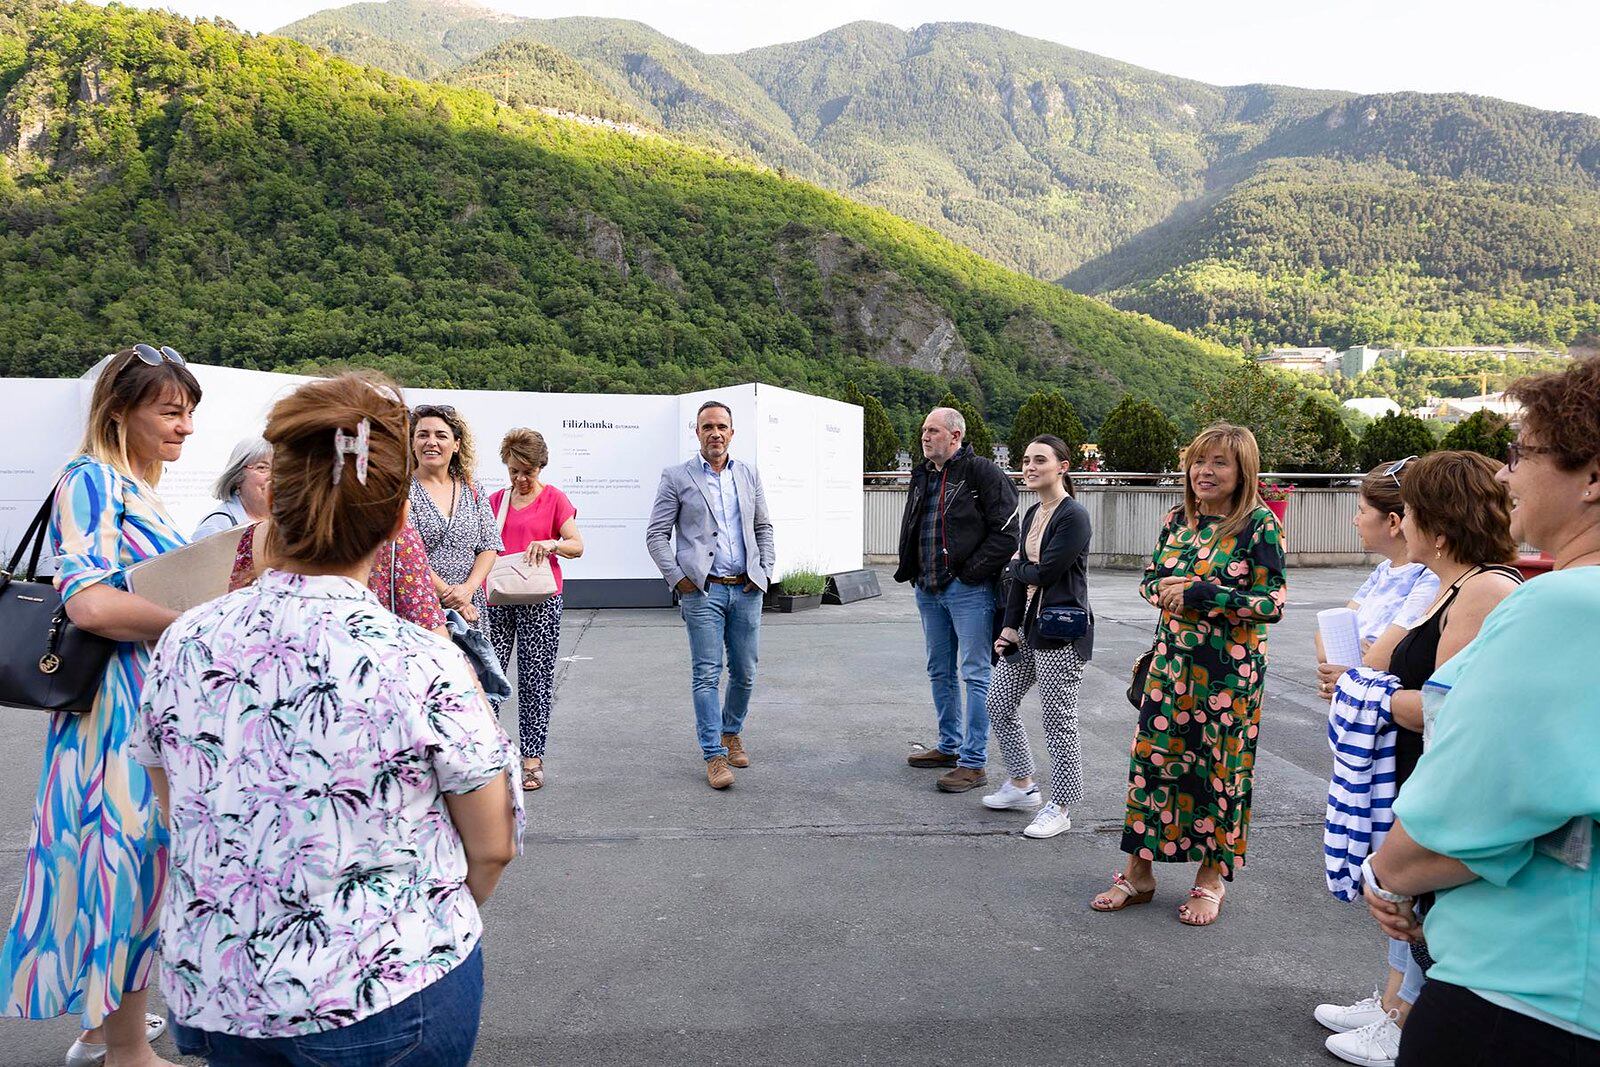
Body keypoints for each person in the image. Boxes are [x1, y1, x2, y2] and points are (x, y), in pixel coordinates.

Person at [132, 373, 521, 1066]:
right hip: (391, 994)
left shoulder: (183, 644)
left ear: (270, 506)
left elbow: (181, 806)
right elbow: (489, 845)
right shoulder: (422, 661)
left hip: (224, 995)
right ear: (401, 523)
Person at [1363, 357, 1600, 1066]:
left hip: (1520, 994)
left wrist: (1387, 873)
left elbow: (1458, 821)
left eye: (1521, 453)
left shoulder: (1563, 607)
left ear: (1592, 477)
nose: (1505, 476)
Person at [0, 344, 202, 1067]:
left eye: (189, 414)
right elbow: (87, 601)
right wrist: (194, 619)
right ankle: (126, 1052)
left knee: (114, 861)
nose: (185, 428)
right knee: (129, 864)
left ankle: (100, 1032)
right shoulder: (92, 477)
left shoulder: (130, 484)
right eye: (170, 412)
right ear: (121, 411)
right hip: (113, 709)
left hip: (126, 704)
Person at [1091, 423, 1286, 926]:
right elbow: (1151, 580)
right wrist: (1163, 591)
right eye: (1200, 461)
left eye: (1220, 462)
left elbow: (1271, 603)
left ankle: (1209, 880)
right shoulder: (1178, 519)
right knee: (1154, 767)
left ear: (1243, 470)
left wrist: (1203, 595)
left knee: (1219, 774)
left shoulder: (1258, 525)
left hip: (1229, 678)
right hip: (1171, 667)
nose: (1206, 471)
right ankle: (1139, 874)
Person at [1313, 459, 1440, 1062]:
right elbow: (1334, 632)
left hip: (1402, 745)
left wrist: (1357, 668)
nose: (1355, 520)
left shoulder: (1435, 581)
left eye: (1363, 510)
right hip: (1382, 732)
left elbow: (1379, 656)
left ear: (1399, 520)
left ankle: (1401, 1014)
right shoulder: (1391, 576)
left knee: (1402, 880)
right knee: (1386, 873)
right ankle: (1391, 999)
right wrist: (1353, 665)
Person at [645, 400, 774, 790]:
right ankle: (714, 756)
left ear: (732, 432)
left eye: (721, 426)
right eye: (707, 427)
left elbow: (763, 526)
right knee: (706, 673)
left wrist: (764, 571)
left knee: (746, 672)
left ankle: (730, 731)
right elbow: (656, 534)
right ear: (697, 433)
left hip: (747, 588)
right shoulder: (677, 476)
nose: (715, 433)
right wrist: (679, 578)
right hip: (703, 593)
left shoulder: (748, 473)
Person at [894, 406, 1018, 793]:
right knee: (939, 671)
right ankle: (949, 745)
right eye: (923, 431)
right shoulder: (923, 474)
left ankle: (974, 761)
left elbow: (1007, 532)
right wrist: (914, 570)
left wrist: (969, 574)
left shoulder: (981, 472)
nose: (925, 436)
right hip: (928, 589)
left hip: (968, 590)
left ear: (955, 436)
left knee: (976, 673)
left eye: (933, 430)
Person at [982, 435, 1094, 839]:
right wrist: (1008, 627)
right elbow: (1022, 578)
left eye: (1039, 460)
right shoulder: (1031, 513)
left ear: (1062, 466)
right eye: (1026, 460)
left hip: (1060, 632)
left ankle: (1061, 806)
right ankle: (1022, 784)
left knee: (1058, 719)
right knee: (998, 702)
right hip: (1027, 627)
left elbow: (1044, 573)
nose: (1029, 467)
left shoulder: (1073, 516)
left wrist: (1017, 566)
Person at [487, 428, 584, 792]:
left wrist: (551, 544)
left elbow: (577, 545)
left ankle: (531, 759)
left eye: (528, 470)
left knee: (535, 680)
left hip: (541, 600)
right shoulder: (495, 501)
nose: (521, 478)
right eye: (514, 470)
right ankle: (491, 753)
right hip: (496, 598)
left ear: (541, 465)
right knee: (488, 677)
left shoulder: (555, 499)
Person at [226, 516, 447, 636]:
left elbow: (239, 625)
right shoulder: (396, 535)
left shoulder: (197, 638)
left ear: (273, 494)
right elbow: (431, 629)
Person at [409, 404, 502, 633]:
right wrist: (452, 598)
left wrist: (468, 590)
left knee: (472, 668)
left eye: (441, 435)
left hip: (471, 607)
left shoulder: (472, 488)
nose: (431, 442)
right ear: (412, 443)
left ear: (456, 445)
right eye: (423, 435)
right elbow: (407, 553)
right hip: (420, 606)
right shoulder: (400, 491)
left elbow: (489, 545)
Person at [191, 436, 270, 540]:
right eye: (262, 468)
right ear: (238, 476)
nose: (274, 476)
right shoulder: (215, 528)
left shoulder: (286, 522)